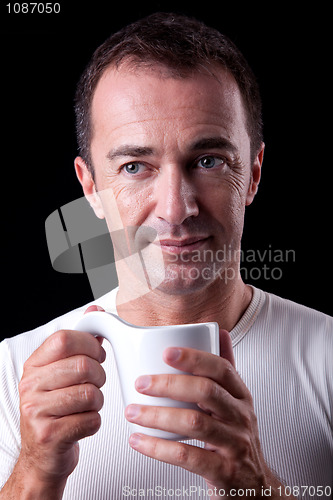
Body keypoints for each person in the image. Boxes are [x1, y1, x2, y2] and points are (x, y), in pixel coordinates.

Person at [0, 12, 332, 500]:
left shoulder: (328, 357)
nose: (176, 210)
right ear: (90, 188)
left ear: (254, 174)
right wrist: (35, 474)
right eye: (135, 166)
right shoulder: (11, 372)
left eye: (208, 161)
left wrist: (260, 491)